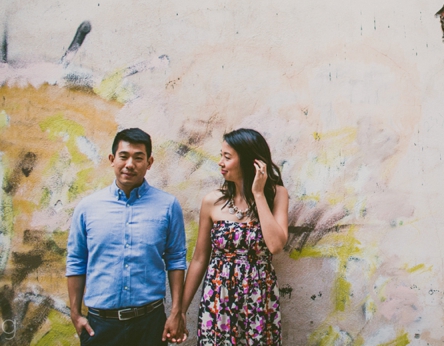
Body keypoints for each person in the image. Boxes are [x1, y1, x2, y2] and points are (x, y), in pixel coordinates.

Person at [66, 128, 187, 345]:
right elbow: (76, 261)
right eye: (124, 156)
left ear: (149, 163)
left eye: (138, 158)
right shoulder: (87, 208)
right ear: (112, 159)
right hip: (100, 326)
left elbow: (176, 259)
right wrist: (75, 314)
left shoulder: (168, 206)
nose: (130, 164)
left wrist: (176, 312)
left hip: (150, 325)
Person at [181, 128, 289, 345]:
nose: (220, 162)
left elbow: (276, 245)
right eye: (221, 155)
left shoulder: (276, 194)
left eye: (227, 157)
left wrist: (258, 193)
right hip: (218, 299)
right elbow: (200, 258)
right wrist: (180, 311)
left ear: (250, 162)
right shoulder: (212, 201)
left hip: (259, 300)